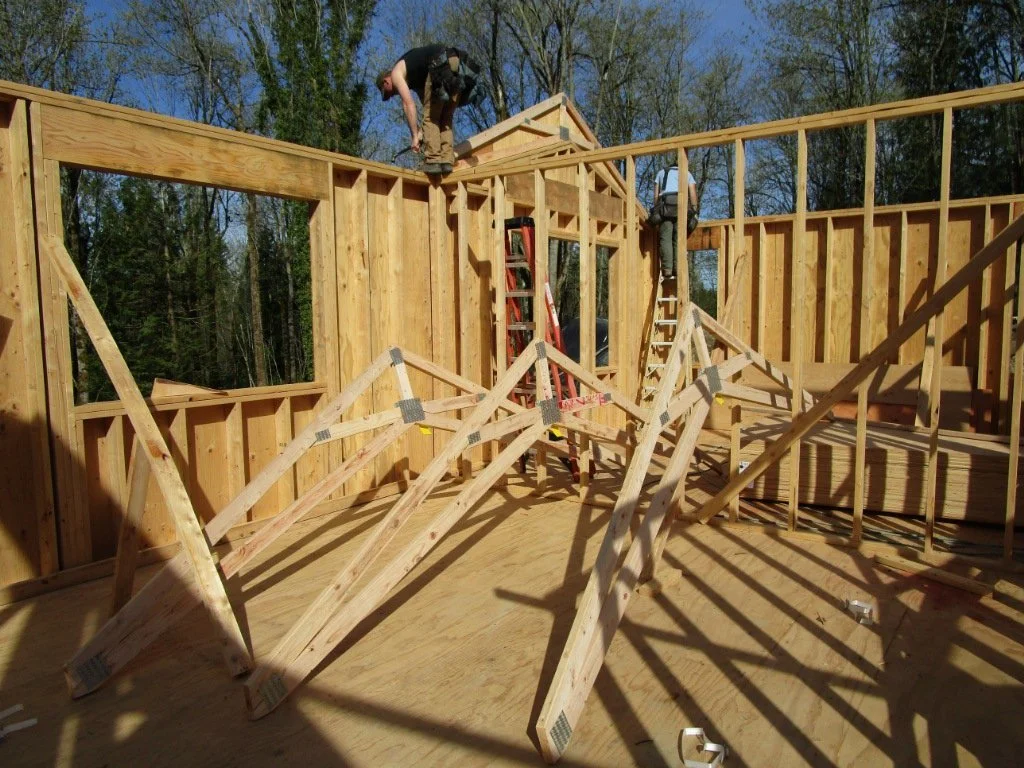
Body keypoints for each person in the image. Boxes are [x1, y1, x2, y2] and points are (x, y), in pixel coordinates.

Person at [376, 44, 484, 177]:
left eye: (389, 93)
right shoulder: (417, 77)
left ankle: (433, 161)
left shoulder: (396, 73)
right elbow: (430, 107)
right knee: (445, 118)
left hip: (440, 64)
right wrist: (421, 132)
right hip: (457, 65)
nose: (392, 95)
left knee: (432, 118)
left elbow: (408, 105)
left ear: (386, 82)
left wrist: (414, 136)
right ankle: (446, 161)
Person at [651, 161, 699, 279]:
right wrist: (694, 210)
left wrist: (657, 210)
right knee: (678, 238)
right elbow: (692, 193)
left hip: (665, 208)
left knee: (665, 238)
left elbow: (656, 196)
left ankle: (667, 269)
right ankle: (677, 268)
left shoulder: (661, 173)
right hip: (681, 209)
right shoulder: (686, 173)